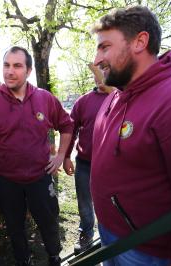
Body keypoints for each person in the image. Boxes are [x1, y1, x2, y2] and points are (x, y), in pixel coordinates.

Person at [91, 6, 171, 265]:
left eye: (104, 47)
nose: (96, 59)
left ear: (140, 42)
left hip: (151, 253)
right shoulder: (116, 95)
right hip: (110, 237)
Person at [0, 46, 73, 266]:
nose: (10, 71)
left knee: (48, 221)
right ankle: (23, 260)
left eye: (17, 66)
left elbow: (67, 125)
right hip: (6, 180)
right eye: (6, 65)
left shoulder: (45, 99)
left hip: (40, 176)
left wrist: (60, 156)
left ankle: (54, 256)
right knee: (14, 226)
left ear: (28, 71)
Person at [63, 63, 110, 254]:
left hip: (110, 166)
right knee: (84, 201)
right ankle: (87, 232)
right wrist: (66, 156)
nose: (99, 76)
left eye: (105, 71)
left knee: (108, 202)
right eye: (96, 73)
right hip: (84, 163)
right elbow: (71, 131)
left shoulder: (121, 98)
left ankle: (109, 236)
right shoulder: (83, 102)